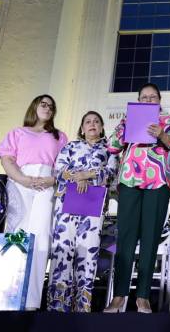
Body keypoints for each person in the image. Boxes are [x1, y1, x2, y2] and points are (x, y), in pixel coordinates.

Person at [104, 83, 170, 314]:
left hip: (158, 182)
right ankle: (119, 296)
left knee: (150, 239)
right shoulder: (127, 119)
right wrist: (126, 127)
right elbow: (111, 146)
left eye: (152, 97)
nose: (148, 100)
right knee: (126, 238)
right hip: (130, 180)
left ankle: (143, 297)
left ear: (159, 100)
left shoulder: (168, 121)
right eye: (143, 97)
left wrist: (161, 134)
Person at [0, 94, 68, 310]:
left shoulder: (60, 136)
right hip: (20, 182)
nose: (47, 108)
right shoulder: (17, 132)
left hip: (47, 184)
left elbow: (65, 166)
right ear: (34, 107)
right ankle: (8, 293)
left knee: (40, 238)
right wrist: (24, 179)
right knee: (16, 233)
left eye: (51, 106)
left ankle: (30, 300)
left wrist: (51, 180)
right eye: (43, 104)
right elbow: (7, 159)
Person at [47, 111, 117, 312]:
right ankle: (58, 307)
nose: (92, 124)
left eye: (96, 121)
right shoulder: (70, 147)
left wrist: (88, 175)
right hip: (66, 204)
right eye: (88, 121)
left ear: (102, 127)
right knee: (63, 250)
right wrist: (77, 178)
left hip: (93, 205)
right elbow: (58, 170)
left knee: (88, 252)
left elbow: (111, 172)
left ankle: (83, 307)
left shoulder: (109, 150)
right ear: (82, 127)